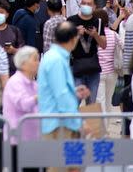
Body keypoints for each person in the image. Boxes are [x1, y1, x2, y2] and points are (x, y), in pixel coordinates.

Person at [38, 22, 89, 172]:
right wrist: (79, 121)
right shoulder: (56, 59)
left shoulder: (54, 56)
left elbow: (59, 90)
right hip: (60, 124)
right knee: (59, 167)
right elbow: (61, 95)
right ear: (73, 39)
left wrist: (73, 92)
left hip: (61, 122)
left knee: (72, 167)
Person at [68, 0, 106, 104]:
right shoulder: (71, 21)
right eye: (83, 3)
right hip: (75, 67)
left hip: (92, 68)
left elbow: (104, 45)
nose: (85, 5)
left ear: (94, 7)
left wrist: (95, 35)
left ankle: (89, 122)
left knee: (91, 103)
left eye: (89, 4)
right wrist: (76, 35)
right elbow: (66, 47)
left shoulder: (98, 22)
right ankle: (72, 121)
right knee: (73, 102)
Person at [2, 46, 39, 145]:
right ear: (23, 63)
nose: (38, 63)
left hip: (33, 138)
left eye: (38, 60)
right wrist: (38, 97)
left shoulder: (34, 84)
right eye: (35, 59)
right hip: (16, 139)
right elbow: (24, 104)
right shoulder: (15, 82)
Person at [0, 0, 24, 75]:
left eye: (1, 12)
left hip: (11, 73)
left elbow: (23, 52)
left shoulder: (15, 31)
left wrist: (13, 50)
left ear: (7, 14)